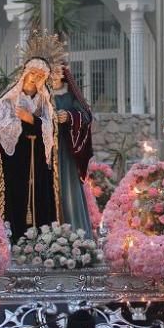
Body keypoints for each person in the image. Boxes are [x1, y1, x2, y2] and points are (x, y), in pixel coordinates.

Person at [0, 32, 63, 243]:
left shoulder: (43, 100)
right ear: (25, 73)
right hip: (16, 158)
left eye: (41, 75)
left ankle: (41, 237)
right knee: (18, 195)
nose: (36, 77)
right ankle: (15, 234)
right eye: (33, 73)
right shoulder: (10, 98)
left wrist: (32, 120)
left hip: (38, 156)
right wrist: (22, 122)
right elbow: (1, 124)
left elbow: (50, 125)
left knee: (39, 194)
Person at [49, 63, 94, 237]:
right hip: (46, 150)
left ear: (63, 73)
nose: (54, 74)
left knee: (68, 188)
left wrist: (69, 116)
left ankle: (76, 233)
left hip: (66, 150)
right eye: (51, 70)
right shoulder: (43, 94)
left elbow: (86, 116)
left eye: (58, 70)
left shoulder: (70, 94)